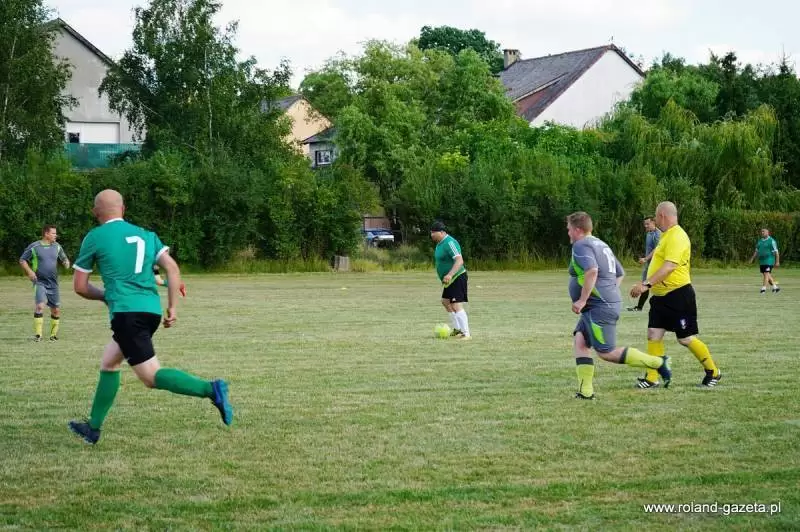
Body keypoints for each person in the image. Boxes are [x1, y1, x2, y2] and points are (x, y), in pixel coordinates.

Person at [68, 189, 232, 445]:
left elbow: (80, 287)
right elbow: (172, 268)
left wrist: (105, 296)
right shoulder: (147, 235)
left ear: (95, 212)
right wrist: (173, 307)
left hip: (127, 314)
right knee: (109, 363)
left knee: (151, 377)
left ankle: (211, 389)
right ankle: (93, 427)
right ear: (123, 209)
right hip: (150, 311)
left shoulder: (95, 237)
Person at [566, 212, 671, 399]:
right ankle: (585, 392)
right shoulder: (600, 243)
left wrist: (583, 300)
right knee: (580, 340)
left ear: (577, 229)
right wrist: (609, 292)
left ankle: (658, 363)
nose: (568, 233)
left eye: (569, 229)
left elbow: (592, 270)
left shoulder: (581, 245)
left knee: (606, 352)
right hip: (598, 306)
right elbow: (620, 273)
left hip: (598, 307)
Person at [630, 201, 722, 388]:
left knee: (685, 338)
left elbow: (669, 266)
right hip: (660, 298)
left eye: (656, 216)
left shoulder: (677, 236)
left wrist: (646, 284)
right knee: (653, 334)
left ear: (662, 215)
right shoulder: (666, 235)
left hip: (678, 296)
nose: (655, 220)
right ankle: (652, 378)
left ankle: (713, 371)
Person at [19, 225, 70, 341]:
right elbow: (22, 260)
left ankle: (53, 336)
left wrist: (66, 262)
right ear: (46, 234)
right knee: (40, 306)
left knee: (56, 310)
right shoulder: (34, 246)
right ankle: (38, 335)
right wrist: (30, 272)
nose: (56, 235)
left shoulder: (57, 246)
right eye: (53, 233)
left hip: (53, 283)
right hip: (39, 281)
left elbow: (64, 258)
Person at [430, 221, 471, 340]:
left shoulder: (450, 242)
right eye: (431, 232)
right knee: (445, 301)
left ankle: (466, 334)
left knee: (456, 304)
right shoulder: (439, 243)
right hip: (449, 280)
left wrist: (450, 274)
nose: (432, 235)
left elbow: (459, 260)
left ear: (442, 232)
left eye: (434, 232)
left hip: (457, 277)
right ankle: (457, 329)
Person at [627, 216, 661, 311]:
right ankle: (639, 307)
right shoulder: (649, 233)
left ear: (653, 222)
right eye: (644, 224)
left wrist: (645, 259)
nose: (645, 226)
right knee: (645, 284)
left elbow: (657, 249)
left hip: (655, 265)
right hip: (648, 265)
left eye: (647, 224)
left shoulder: (657, 234)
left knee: (650, 284)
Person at [749, 228, 780, 294]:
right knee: (767, 275)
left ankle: (763, 289)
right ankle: (775, 287)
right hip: (762, 261)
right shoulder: (760, 241)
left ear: (768, 233)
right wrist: (752, 258)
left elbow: (776, 252)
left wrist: (777, 262)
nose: (762, 232)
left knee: (766, 273)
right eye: (762, 231)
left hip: (769, 260)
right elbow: (756, 251)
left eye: (764, 231)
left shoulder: (772, 241)